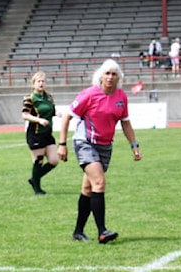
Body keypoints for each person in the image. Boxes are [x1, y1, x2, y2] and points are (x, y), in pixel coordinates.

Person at [58, 58, 142, 244]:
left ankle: (78, 232)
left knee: (88, 188)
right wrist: (62, 144)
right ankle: (102, 231)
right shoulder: (89, 94)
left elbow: (125, 122)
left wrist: (134, 145)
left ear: (119, 77)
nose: (110, 77)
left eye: (114, 74)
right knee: (99, 183)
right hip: (85, 142)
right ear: (100, 76)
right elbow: (67, 117)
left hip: (105, 145)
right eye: (107, 73)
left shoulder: (121, 97)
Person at [21, 72, 63, 195]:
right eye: (38, 81)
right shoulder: (30, 98)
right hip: (35, 134)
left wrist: (57, 113)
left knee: (54, 161)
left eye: (43, 81)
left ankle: (34, 178)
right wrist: (39, 120)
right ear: (33, 84)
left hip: (47, 134)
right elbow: (25, 115)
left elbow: (51, 110)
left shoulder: (48, 97)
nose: (41, 83)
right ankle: (37, 189)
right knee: (38, 161)